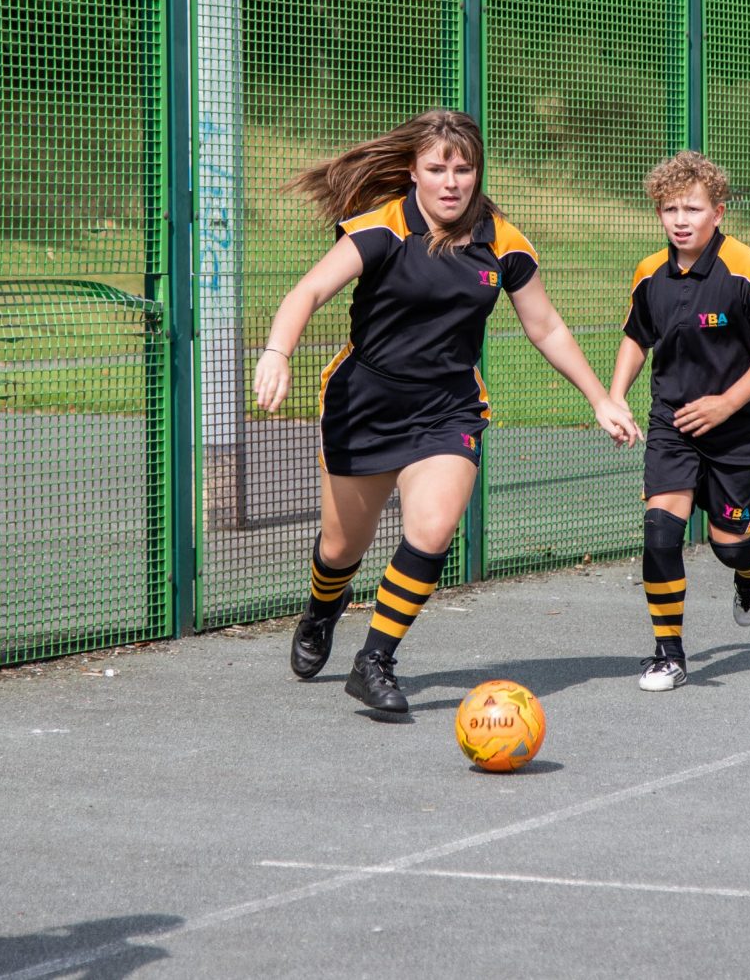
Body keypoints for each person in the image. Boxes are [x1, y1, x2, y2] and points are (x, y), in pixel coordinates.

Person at [254, 109, 640, 714]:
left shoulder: (501, 240)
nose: (451, 181)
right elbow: (308, 291)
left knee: (431, 532)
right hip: (365, 404)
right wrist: (278, 353)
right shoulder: (383, 228)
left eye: (464, 168)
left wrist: (601, 397)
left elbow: (546, 326)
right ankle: (321, 611)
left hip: (448, 408)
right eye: (437, 168)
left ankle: (375, 659)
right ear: (413, 171)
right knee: (340, 549)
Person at [608, 151, 750, 692]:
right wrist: (616, 396)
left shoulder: (747, 268)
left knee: (728, 542)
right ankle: (669, 654)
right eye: (669, 209)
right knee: (660, 533)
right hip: (672, 424)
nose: (680, 219)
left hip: (741, 432)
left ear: (718, 212)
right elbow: (636, 337)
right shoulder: (650, 271)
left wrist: (725, 404)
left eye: (692, 208)